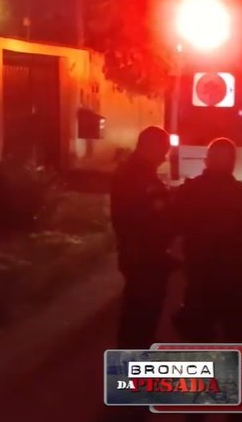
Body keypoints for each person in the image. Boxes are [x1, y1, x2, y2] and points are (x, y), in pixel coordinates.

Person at [173, 138, 242, 422]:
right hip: (236, 281)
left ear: (206, 161)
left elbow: (172, 224)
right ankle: (235, 411)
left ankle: (195, 411)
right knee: (235, 343)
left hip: (201, 280)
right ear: (233, 164)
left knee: (199, 346)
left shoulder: (190, 192)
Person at [110, 126, 176, 350]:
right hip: (145, 257)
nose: (164, 157)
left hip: (137, 254)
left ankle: (134, 357)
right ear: (151, 147)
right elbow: (151, 216)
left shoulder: (132, 171)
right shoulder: (139, 176)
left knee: (137, 313)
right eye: (163, 150)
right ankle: (135, 361)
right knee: (142, 315)